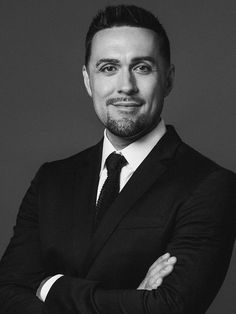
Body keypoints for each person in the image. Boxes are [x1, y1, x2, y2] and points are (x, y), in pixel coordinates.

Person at [0, 4, 235, 314]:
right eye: (109, 67)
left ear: (168, 79)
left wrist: (49, 285)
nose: (126, 86)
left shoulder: (211, 185)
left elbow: (168, 308)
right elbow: (6, 292)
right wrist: (130, 300)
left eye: (142, 67)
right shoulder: (51, 180)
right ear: (88, 80)